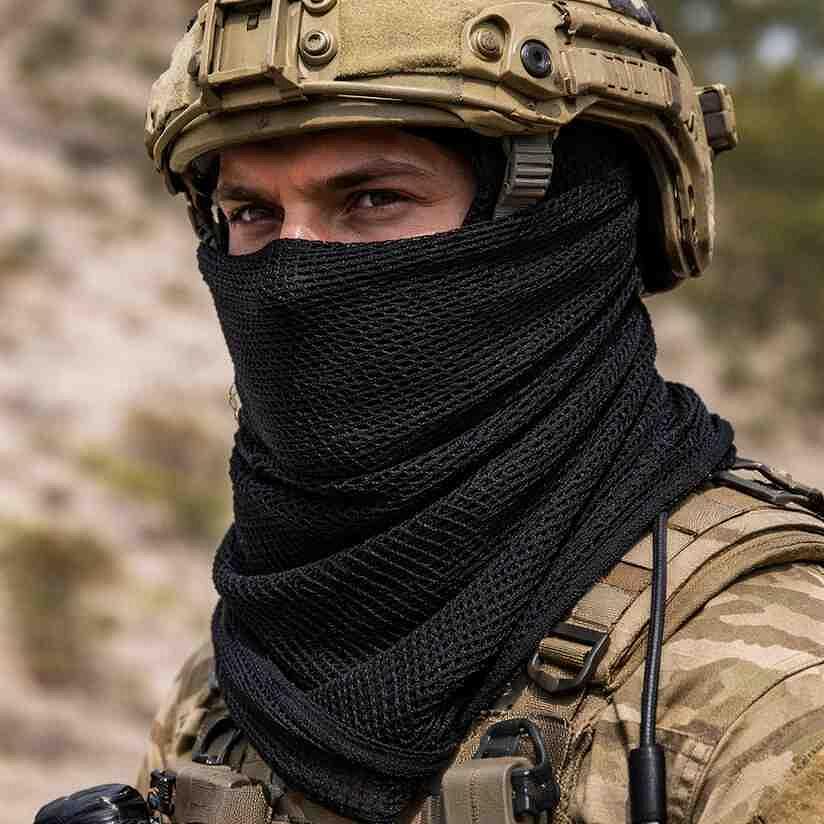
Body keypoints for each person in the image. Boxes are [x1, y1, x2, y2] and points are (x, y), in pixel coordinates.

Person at [133, 1, 824, 822]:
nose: (293, 278)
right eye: (253, 213)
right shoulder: (234, 683)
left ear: (563, 216)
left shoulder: (764, 696)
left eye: (374, 199)